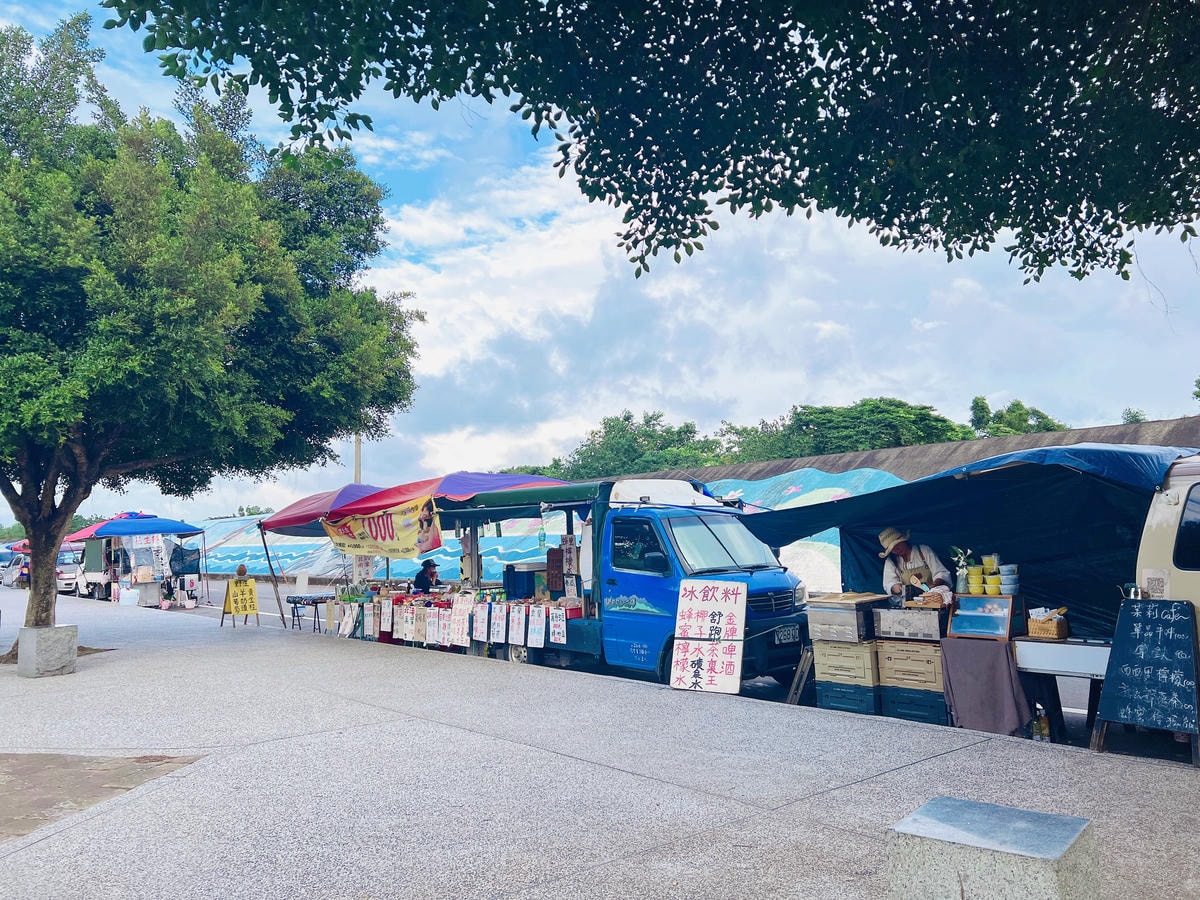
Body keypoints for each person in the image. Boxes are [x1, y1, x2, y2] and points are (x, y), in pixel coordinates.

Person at [878, 527, 950, 603]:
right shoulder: (891, 561)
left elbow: (941, 573)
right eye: (892, 549)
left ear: (904, 541)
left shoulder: (924, 551)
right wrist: (896, 587)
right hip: (908, 602)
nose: (896, 549)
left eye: (897, 545)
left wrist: (932, 587)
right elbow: (889, 583)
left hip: (931, 599)